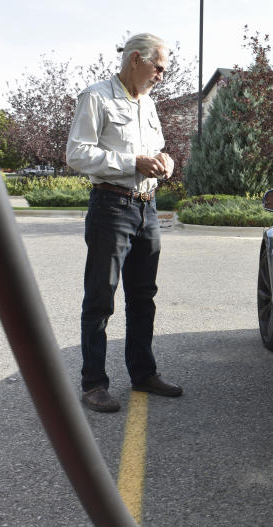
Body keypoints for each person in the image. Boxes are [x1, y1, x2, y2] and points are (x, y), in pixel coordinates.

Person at [66, 32, 182, 413]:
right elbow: (77, 154)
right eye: (158, 67)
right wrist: (132, 163)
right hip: (111, 207)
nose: (161, 76)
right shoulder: (96, 96)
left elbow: (158, 149)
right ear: (136, 59)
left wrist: (166, 162)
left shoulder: (147, 104)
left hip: (147, 207)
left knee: (143, 296)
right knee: (101, 297)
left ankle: (143, 374)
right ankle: (94, 384)